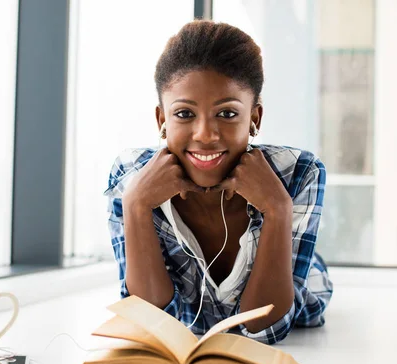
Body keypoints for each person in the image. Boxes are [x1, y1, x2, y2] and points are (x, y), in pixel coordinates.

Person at [103, 20, 333, 345]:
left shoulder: (299, 173)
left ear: (254, 118)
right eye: (184, 114)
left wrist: (278, 208)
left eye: (227, 114)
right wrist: (136, 205)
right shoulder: (130, 177)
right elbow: (150, 320)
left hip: (299, 293)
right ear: (161, 120)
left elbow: (266, 328)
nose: (205, 135)